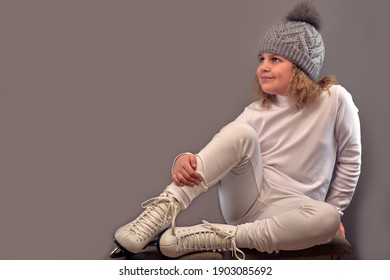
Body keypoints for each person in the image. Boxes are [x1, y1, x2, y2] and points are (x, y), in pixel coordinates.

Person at [112, 1, 361, 260]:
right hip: (248, 202)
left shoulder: (334, 100)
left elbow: (350, 159)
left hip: (294, 211)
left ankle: (215, 236)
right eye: (262, 59)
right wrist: (184, 159)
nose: (263, 66)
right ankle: (159, 213)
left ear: (300, 68)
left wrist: (337, 210)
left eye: (275, 59)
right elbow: (219, 152)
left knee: (328, 218)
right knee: (241, 133)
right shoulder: (255, 112)